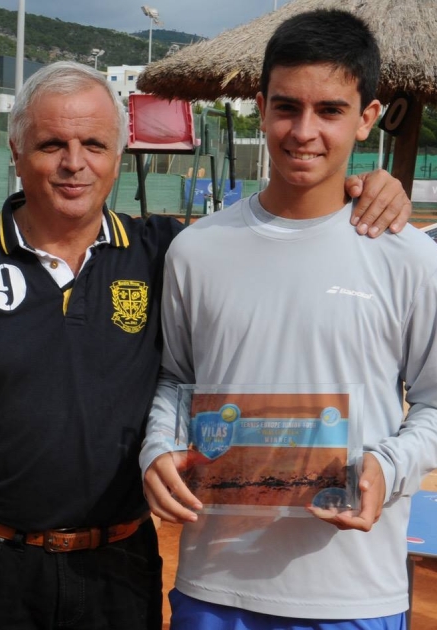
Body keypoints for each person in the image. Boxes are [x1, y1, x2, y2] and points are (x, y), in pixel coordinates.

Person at [0, 59, 414, 630]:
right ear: (15, 150)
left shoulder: (165, 253)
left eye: (94, 145)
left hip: (120, 567)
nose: (73, 163)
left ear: (119, 154)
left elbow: (275, 229)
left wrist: (364, 186)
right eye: (51, 143)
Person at [141, 10, 437, 630]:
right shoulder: (196, 249)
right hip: (215, 589)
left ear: (367, 117)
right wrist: (158, 447)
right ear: (260, 106)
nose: (304, 131)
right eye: (286, 107)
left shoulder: (409, 256)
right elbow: (174, 380)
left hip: (356, 593)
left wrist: (387, 465)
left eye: (330, 110)